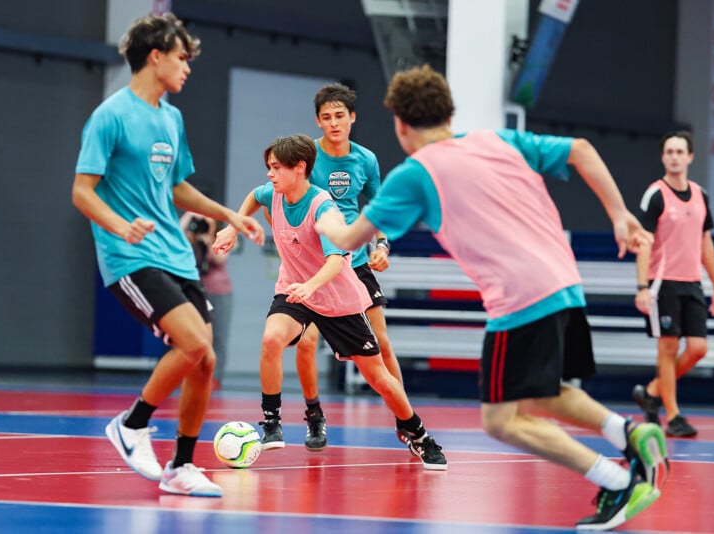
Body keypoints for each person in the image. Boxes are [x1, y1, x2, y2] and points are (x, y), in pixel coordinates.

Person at [315, 64, 669, 530]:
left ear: (401, 125)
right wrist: (620, 215)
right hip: (565, 282)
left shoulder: (414, 175)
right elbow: (581, 150)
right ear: (449, 112)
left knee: (500, 420)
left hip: (521, 296)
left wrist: (320, 216)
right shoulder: (496, 140)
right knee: (540, 393)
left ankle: (617, 481)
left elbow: (350, 234)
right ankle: (628, 432)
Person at [72, 13, 264, 497]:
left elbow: (176, 187)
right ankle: (132, 424)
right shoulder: (110, 115)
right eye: (182, 57)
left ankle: (180, 466)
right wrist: (119, 226)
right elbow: (82, 191)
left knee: (205, 361)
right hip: (130, 257)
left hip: (177, 257)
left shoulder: (171, 118)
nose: (188, 67)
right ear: (155, 57)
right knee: (194, 343)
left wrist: (230, 215)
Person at [212, 134, 447, 470]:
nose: (269, 174)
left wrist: (311, 286)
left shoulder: (323, 208)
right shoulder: (275, 193)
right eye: (269, 167)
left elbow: (337, 261)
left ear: (300, 168)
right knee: (271, 339)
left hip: (336, 297)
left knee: (378, 376)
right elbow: (253, 196)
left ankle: (419, 434)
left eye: (276, 167)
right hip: (296, 289)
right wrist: (233, 227)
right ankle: (272, 422)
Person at [292, 83, 402, 451]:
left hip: (354, 263)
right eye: (327, 117)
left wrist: (382, 244)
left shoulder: (366, 160)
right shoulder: (306, 156)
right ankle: (314, 416)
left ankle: (406, 420)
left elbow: (379, 209)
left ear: (352, 117)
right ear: (318, 121)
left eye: (340, 115)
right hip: (315, 265)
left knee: (382, 342)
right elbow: (284, 197)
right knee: (306, 343)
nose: (334, 123)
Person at [632, 131, 714, 438]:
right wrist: (642, 286)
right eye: (668, 151)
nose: (674, 156)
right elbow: (644, 242)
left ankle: (653, 390)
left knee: (698, 348)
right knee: (668, 348)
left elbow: (705, 241)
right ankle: (673, 416)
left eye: (679, 151)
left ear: (689, 157)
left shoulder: (701, 195)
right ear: (663, 157)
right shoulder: (655, 194)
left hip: (692, 282)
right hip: (663, 283)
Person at [180, 210, 234, 391]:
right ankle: (191, 374)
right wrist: (189, 216)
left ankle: (214, 378)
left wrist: (208, 238)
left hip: (219, 292)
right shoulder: (190, 238)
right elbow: (177, 239)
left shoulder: (222, 237)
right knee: (192, 335)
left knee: (218, 336)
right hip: (194, 291)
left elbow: (220, 259)